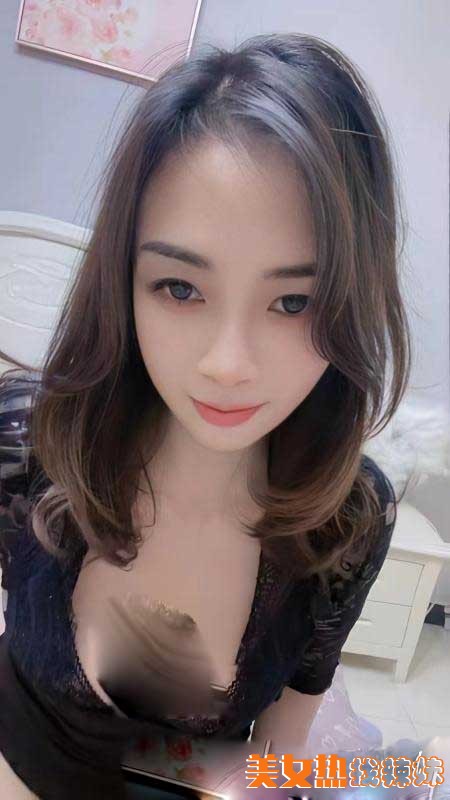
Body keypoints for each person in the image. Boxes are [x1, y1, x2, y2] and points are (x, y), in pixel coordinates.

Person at [0, 30, 410, 799]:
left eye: (295, 301)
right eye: (181, 289)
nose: (228, 363)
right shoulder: (25, 440)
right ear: (125, 281)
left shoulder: (347, 519)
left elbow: (278, 756)